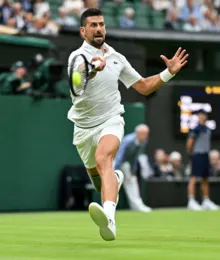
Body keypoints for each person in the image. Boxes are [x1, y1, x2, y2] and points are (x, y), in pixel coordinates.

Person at [67, 8, 188, 241]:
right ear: (83, 31)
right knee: (98, 179)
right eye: (93, 25)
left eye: (101, 24)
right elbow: (77, 84)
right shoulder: (76, 58)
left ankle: (109, 220)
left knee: (105, 159)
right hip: (83, 128)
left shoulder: (116, 58)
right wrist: (93, 68)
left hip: (111, 119)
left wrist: (168, 73)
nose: (99, 28)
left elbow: (143, 86)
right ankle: (116, 179)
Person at [186, 109, 219, 211]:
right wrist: (193, 152)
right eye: (200, 115)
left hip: (205, 155)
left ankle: (205, 201)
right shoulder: (195, 129)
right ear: (198, 116)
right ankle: (191, 201)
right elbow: (189, 144)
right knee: (194, 177)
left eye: (204, 115)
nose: (202, 117)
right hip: (198, 155)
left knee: (205, 178)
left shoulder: (208, 130)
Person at [113, 124, 152, 212]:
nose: (146, 136)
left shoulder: (143, 142)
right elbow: (119, 156)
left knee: (132, 180)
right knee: (113, 183)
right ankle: (109, 206)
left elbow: (134, 157)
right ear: (138, 133)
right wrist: (115, 170)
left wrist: (132, 171)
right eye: (144, 134)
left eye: (147, 134)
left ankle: (137, 206)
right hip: (115, 161)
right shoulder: (128, 141)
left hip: (126, 164)